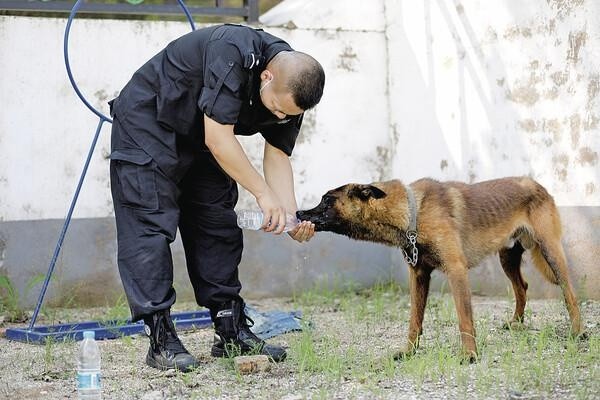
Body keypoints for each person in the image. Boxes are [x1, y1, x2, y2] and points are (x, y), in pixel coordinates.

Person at [108, 23, 325, 372]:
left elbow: (278, 154)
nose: (280, 117)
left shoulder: (294, 87)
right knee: (149, 226)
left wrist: (289, 217)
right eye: (277, 109)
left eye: (289, 115)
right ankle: (161, 338)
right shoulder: (233, 50)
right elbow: (219, 139)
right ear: (266, 77)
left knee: (217, 222)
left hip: (202, 133)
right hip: (149, 123)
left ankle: (230, 330)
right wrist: (261, 193)